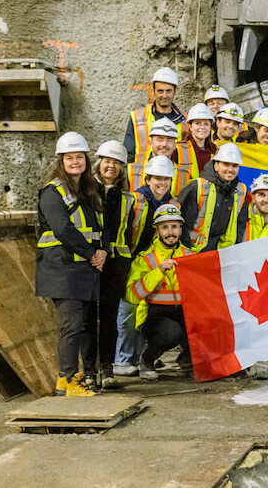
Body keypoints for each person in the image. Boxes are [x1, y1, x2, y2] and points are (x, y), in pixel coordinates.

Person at [36, 132, 106, 397]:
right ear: (61, 161)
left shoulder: (88, 190)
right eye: (70, 158)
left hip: (83, 269)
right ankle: (65, 382)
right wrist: (92, 253)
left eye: (79, 157)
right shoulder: (52, 192)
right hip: (61, 270)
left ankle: (80, 376)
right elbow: (63, 229)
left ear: (86, 160)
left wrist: (102, 251)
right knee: (72, 325)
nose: (75, 162)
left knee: (85, 325)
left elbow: (100, 225)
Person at [114, 155, 176, 377]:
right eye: (157, 178)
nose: (162, 183)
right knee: (127, 310)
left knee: (141, 311)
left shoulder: (172, 203)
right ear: (148, 178)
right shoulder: (135, 200)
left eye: (166, 179)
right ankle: (122, 360)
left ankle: (137, 358)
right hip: (129, 261)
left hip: (150, 263)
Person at [86, 140, 135, 391]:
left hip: (115, 264)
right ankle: (87, 370)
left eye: (116, 163)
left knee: (108, 317)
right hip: (89, 260)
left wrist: (123, 263)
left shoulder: (127, 198)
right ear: (99, 162)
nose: (111, 166)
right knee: (85, 318)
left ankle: (106, 367)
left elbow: (129, 233)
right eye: (108, 161)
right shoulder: (85, 191)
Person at [125, 204, 192, 381]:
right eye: (165, 227)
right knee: (172, 333)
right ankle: (147, 360)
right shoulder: (145, 258)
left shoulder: (190, 255)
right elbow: (132, 294)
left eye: (174, 226)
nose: (170, 232)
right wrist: (158, 271)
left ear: (180, 228)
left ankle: (188, 361)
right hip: (155, 313)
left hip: (182, 311)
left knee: (206, 323)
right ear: (158, 230)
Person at [178, 143, 248, 253]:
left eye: (234, 166)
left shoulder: (241, 191)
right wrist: (186, 251)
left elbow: (240, 225)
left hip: (222, 252)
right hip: (192, 250)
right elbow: (181, 223)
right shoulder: (197, 186)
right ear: (216, 166)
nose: (230, 169)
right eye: (226, 164)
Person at [124, 67, 186, 160]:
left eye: (168, 91)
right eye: (160, 91)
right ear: (153, 91)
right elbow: (128, 154)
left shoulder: (186, 121)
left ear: (175, 91)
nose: (164, 95)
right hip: (143, 173)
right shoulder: (137, 117)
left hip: (174, 173)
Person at [127, 117, 180, 191]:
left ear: (174, 145)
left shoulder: (184, 174)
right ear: (150, 143)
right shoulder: (131, 170)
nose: (164, 144)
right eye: (160, 139)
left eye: (169, 140)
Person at [175, 103, 218, 187]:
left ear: (210, 127)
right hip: (182, 198)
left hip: (209, 199)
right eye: (197, 123)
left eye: (206, 124)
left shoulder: (216, 151)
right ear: (190, 126)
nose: (202, 127)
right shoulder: (178, 149)